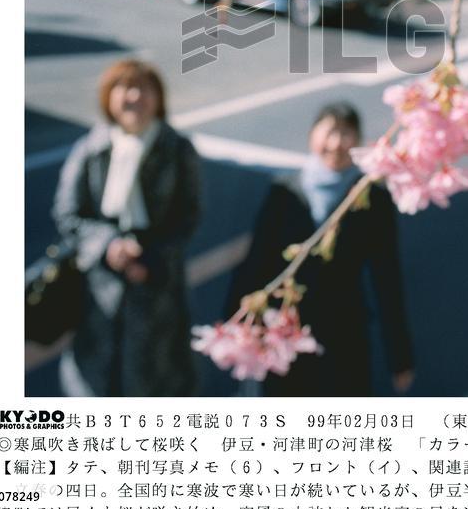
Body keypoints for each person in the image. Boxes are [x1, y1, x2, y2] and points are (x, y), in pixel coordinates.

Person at [227, 102, 414, 396]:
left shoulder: (371, 197)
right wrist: (238, 326)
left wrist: (399, 355)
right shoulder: (285, 190)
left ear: (358, 141)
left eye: (346, 133)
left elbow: (387, 278)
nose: (336, 143)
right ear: (312, 136)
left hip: (344, 331)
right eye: (329, 132)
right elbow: (257, 260)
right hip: (285, 330)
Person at [53, 59, 201, 397]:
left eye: (144, 88)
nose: (135, 96)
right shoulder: (92, 149)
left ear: (158, 99)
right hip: (98, 292)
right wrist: (108, 247)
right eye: (125, 87)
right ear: (109, 97)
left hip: (159, 288)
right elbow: (67, 213)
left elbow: (190, 216)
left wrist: (148, 258)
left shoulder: (178, 149)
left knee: (156, 381)